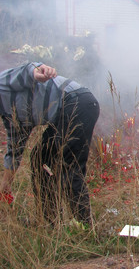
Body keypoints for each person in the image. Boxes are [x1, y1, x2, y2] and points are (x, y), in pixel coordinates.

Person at [0, 62, 100, 226]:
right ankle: (49, 220)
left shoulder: (2, 82)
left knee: (68, 164)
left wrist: (39, 71)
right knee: (40, 158)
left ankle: (84, 225)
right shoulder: (11, 118)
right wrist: (5, 185)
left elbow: (26, 71)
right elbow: (14, 151)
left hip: (78, 102)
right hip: (67, 111)